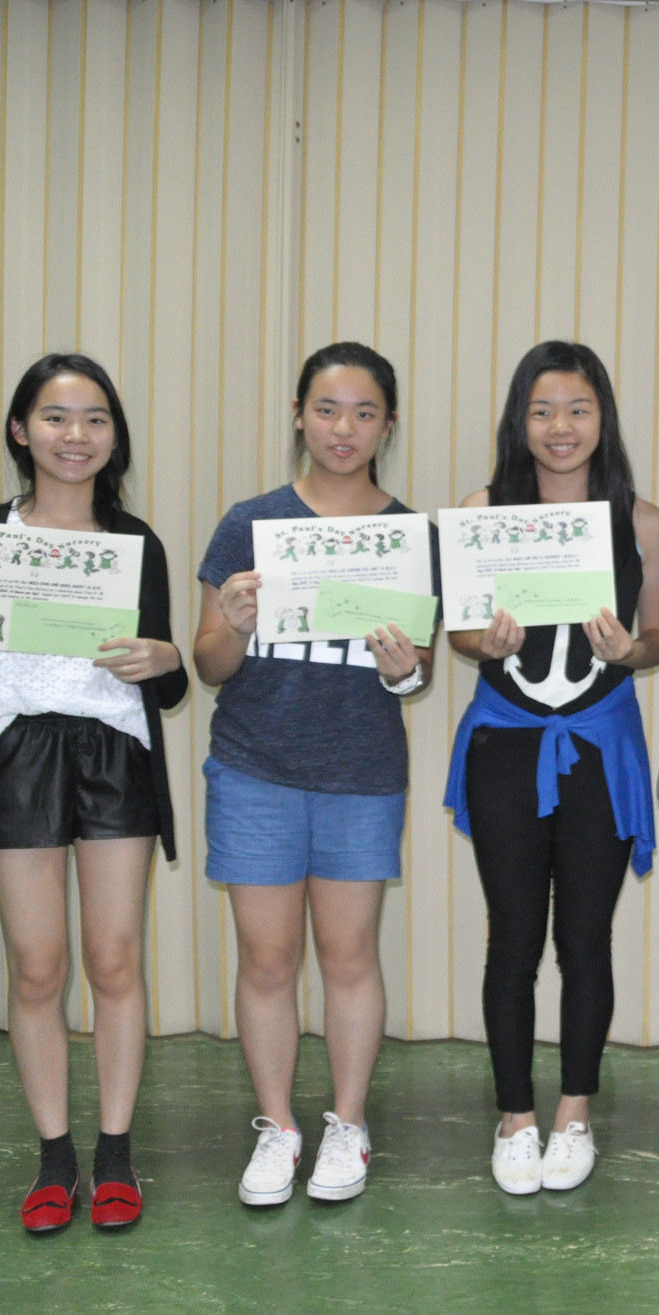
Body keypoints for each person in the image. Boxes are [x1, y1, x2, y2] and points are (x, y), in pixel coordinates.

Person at [0, 353, 186, 1232]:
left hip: (115, 751)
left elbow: (169, 685)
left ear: (115, 435)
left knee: (114, 959)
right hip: (17, 751)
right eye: (57, 417)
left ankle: (114, 1155)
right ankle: (53, 1159)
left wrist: (165, 657)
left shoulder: (136, 541)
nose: (77, 436)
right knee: (37, 966)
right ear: (20, 429)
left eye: (96, 419)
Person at [193, 341, 438, 1208]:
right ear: (298, 415)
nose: (344, 428)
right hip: (254, 768)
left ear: (388, 425)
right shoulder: (249, 523)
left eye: (365, 412)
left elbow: (416, 674)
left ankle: (347, 1122)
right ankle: (278, 1127)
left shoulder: (410, 536)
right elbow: (208, 664)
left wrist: (405, 669)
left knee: (348, 953)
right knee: (267, 958)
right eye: (327, 409)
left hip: (361, 773)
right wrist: (231, 622)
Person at [443, 342, 659, 1195]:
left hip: (599, 747)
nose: (560, 427)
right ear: (519, 420)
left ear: (602, 417)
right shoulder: (483, 510)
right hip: (504, 744)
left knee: (585, 938)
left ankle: (575, 1111)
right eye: (541, 410)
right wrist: (486, 641)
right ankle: (515, 1116)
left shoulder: (641, 520)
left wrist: (630, 650)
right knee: (513, 937)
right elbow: (460, 632)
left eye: (578, 408)